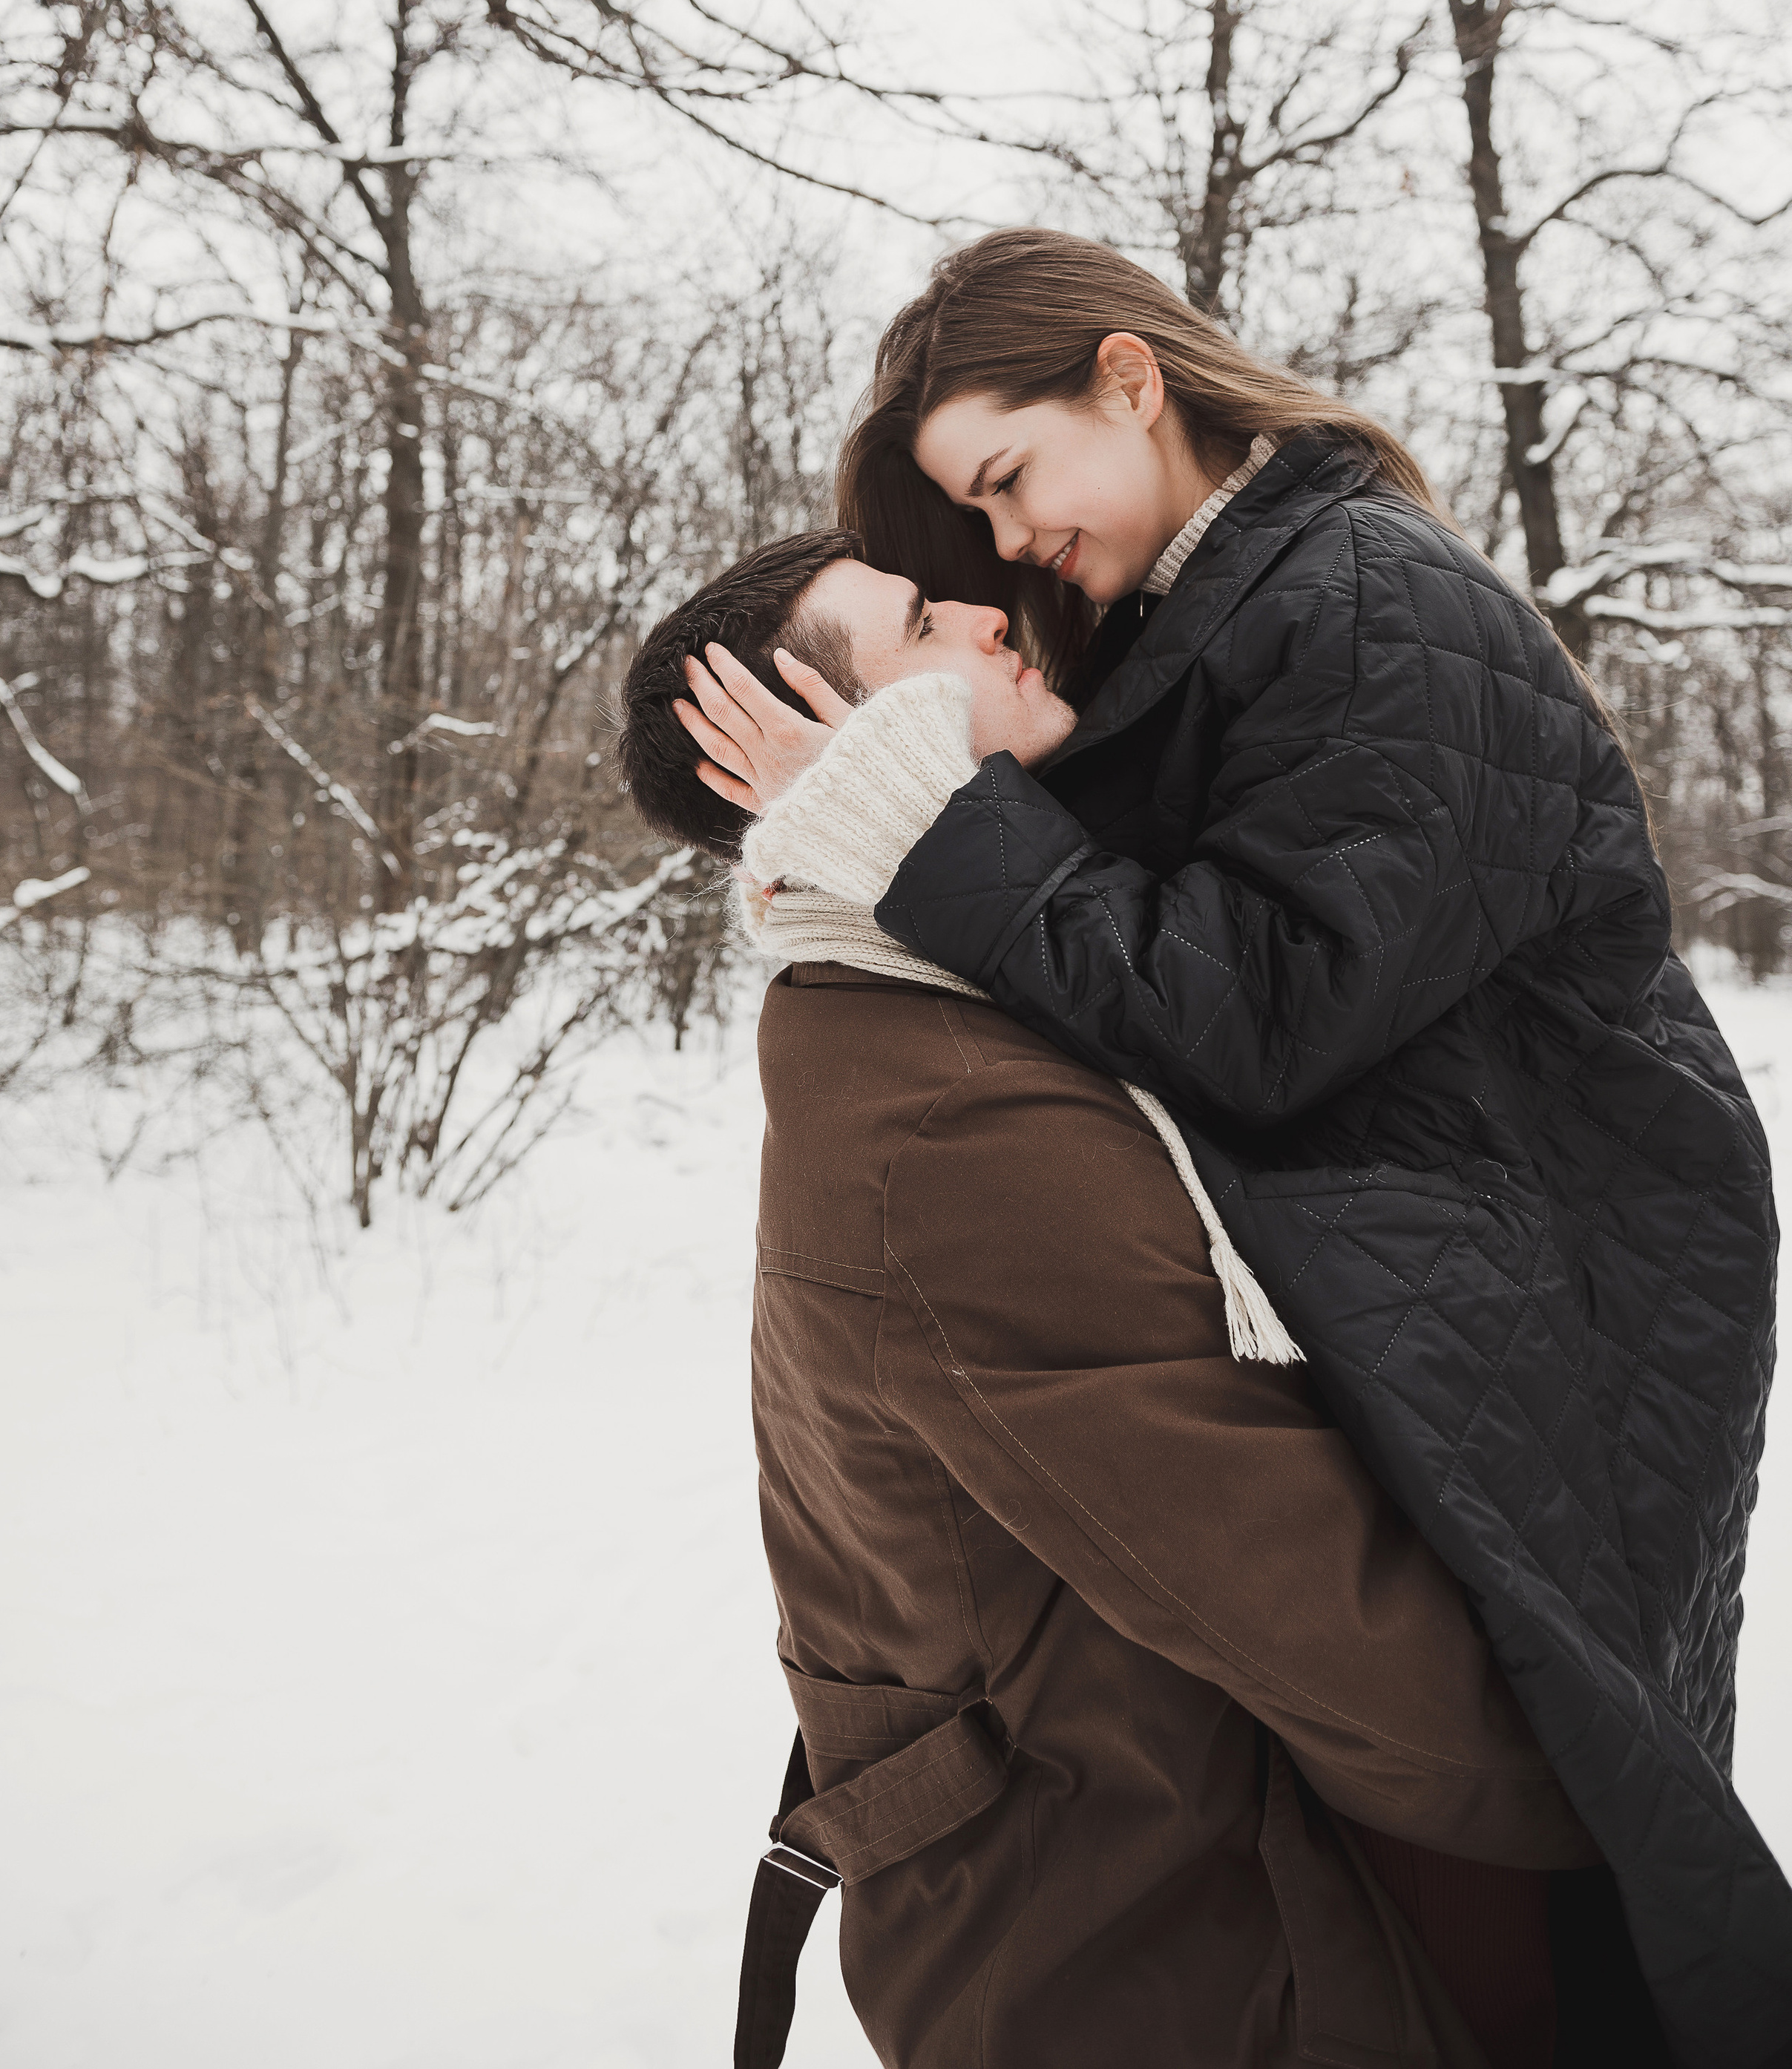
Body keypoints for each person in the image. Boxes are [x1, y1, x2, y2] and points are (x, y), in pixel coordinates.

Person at [668, 232, 1791, 2069]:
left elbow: (1259, 1012)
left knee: (1603, 1856)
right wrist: (866, 811)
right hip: (1437, 1266)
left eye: (1007, 480)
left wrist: (919, 816)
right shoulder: (1195, 620)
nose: (1004, 553)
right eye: (967, 522)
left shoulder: (1365, 599)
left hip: (1558, 1264)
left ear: (1131, 379)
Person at [617, 528, 1626, 2069]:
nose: (980, 612)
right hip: (1172, 1949)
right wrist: (1606, 1797)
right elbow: (1301, 1607)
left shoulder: (936, 1006)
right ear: (824, 750)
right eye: (915, 622)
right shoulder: (943, 1119)